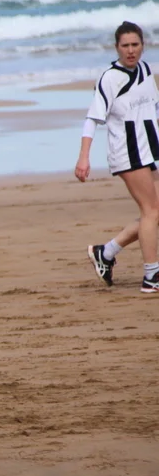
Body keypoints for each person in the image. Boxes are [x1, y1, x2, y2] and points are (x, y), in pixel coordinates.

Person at [77, 21, 159, 294]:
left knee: (155, 212)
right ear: (117, 48)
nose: (131, 50)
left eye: (135, 45)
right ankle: (152, 276)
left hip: (148, 151)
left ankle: (106, 252)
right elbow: (92, 119)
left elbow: (153, 110)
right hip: (127, 152)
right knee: (151, 212)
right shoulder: (109, 78)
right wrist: (84, 158)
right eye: (125, 46)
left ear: (143, 45)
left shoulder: (146, 71)